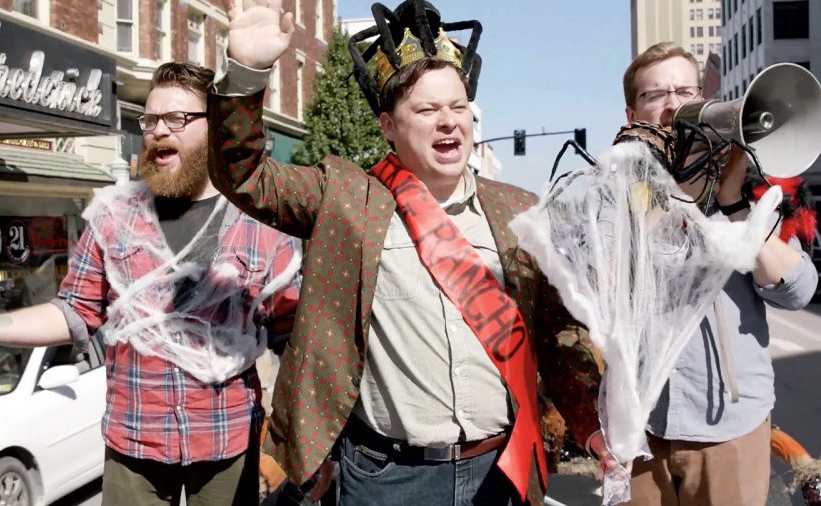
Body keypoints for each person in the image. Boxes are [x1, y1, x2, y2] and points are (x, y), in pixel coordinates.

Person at [208, 1, 615, 504]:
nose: (448, 122)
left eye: (458, 106)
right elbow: (246, 176)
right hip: (388, 478)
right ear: (387, 126)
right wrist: (247, 72)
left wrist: (593, 427)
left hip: (499, 471)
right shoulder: (346, 198)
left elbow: (556, 337)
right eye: (426, 110)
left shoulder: (519, 211)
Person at [0, 62, 302, 506]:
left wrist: (294, 440)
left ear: (216, 127)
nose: (158, 130)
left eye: (176, 119)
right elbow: (72, 313)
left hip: (227, 439)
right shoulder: (115, 217)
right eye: (150, 119)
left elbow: (293, 336)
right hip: (134, 443)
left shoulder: (256, 220)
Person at [621, 42, 819, 505]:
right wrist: (680, 193)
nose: (674, 103)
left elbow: (798, 291)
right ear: (632, 113)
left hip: (730, 430)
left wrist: (732, 203)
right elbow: (614, 276)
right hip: (639, 429)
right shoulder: (613, 189)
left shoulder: (749, 187)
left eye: (684, 89)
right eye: (656, 95)